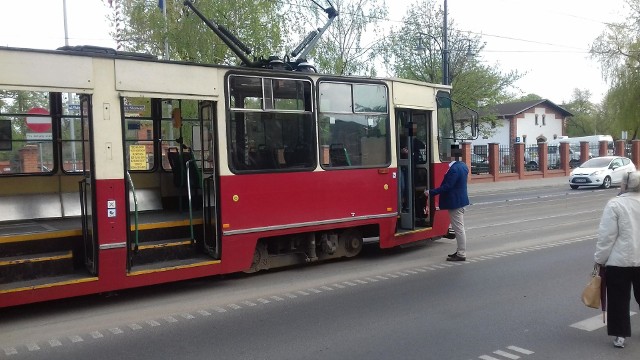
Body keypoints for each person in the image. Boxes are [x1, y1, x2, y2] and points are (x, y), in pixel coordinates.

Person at [594, 171, 640, 349]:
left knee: (618, 300)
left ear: (625, 185)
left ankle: (620, 336)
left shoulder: (615, 204)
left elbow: (607, 236)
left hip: (619, 262)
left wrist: (599, 259)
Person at [425, 159, 470, 261]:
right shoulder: (463, 166)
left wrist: (431, 192)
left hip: (455, 203)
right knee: (459, 228)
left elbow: (447, 186)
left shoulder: (454, 169)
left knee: (458, 229)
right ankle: (460, 251)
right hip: (460, 200)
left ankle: (461, 253)